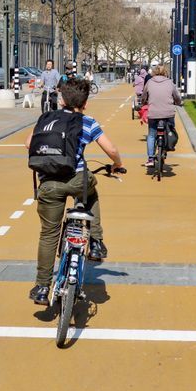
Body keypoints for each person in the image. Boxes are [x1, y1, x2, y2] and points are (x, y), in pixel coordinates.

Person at [25, 78, 125, 306]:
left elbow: (28, 143)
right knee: (91, 190)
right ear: (86, 103)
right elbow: (110, 149)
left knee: (49, 234)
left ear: (61, 99)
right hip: (76, 178)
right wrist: (117, 164)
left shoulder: (46, 119)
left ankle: (42, 287)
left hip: (49, 183)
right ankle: (97, 242)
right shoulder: (87, 122)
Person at [141, 64, 182, 168]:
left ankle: (150, 158)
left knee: (151, 135)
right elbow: (176, 96)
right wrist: (178, 102)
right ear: (165, 72)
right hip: (168, 113)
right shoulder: (170, 83)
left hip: (153, 114)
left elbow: (144, 96)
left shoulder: (149, 82)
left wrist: (143, 103)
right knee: (170, 129)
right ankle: (169, 144)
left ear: (154, 72)